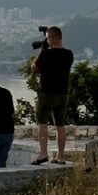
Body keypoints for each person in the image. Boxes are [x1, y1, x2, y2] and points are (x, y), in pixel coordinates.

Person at [30, 25, 74, 165]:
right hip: (63, 94)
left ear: (53, 38)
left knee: (42, 124)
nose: (47, 40)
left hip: (46, 93)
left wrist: (43, 49)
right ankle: (60, 156)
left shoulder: (46, 54)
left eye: (48, 38)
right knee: (60, 126)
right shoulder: (69, 54)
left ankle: (43, 154)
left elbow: (34, 69)